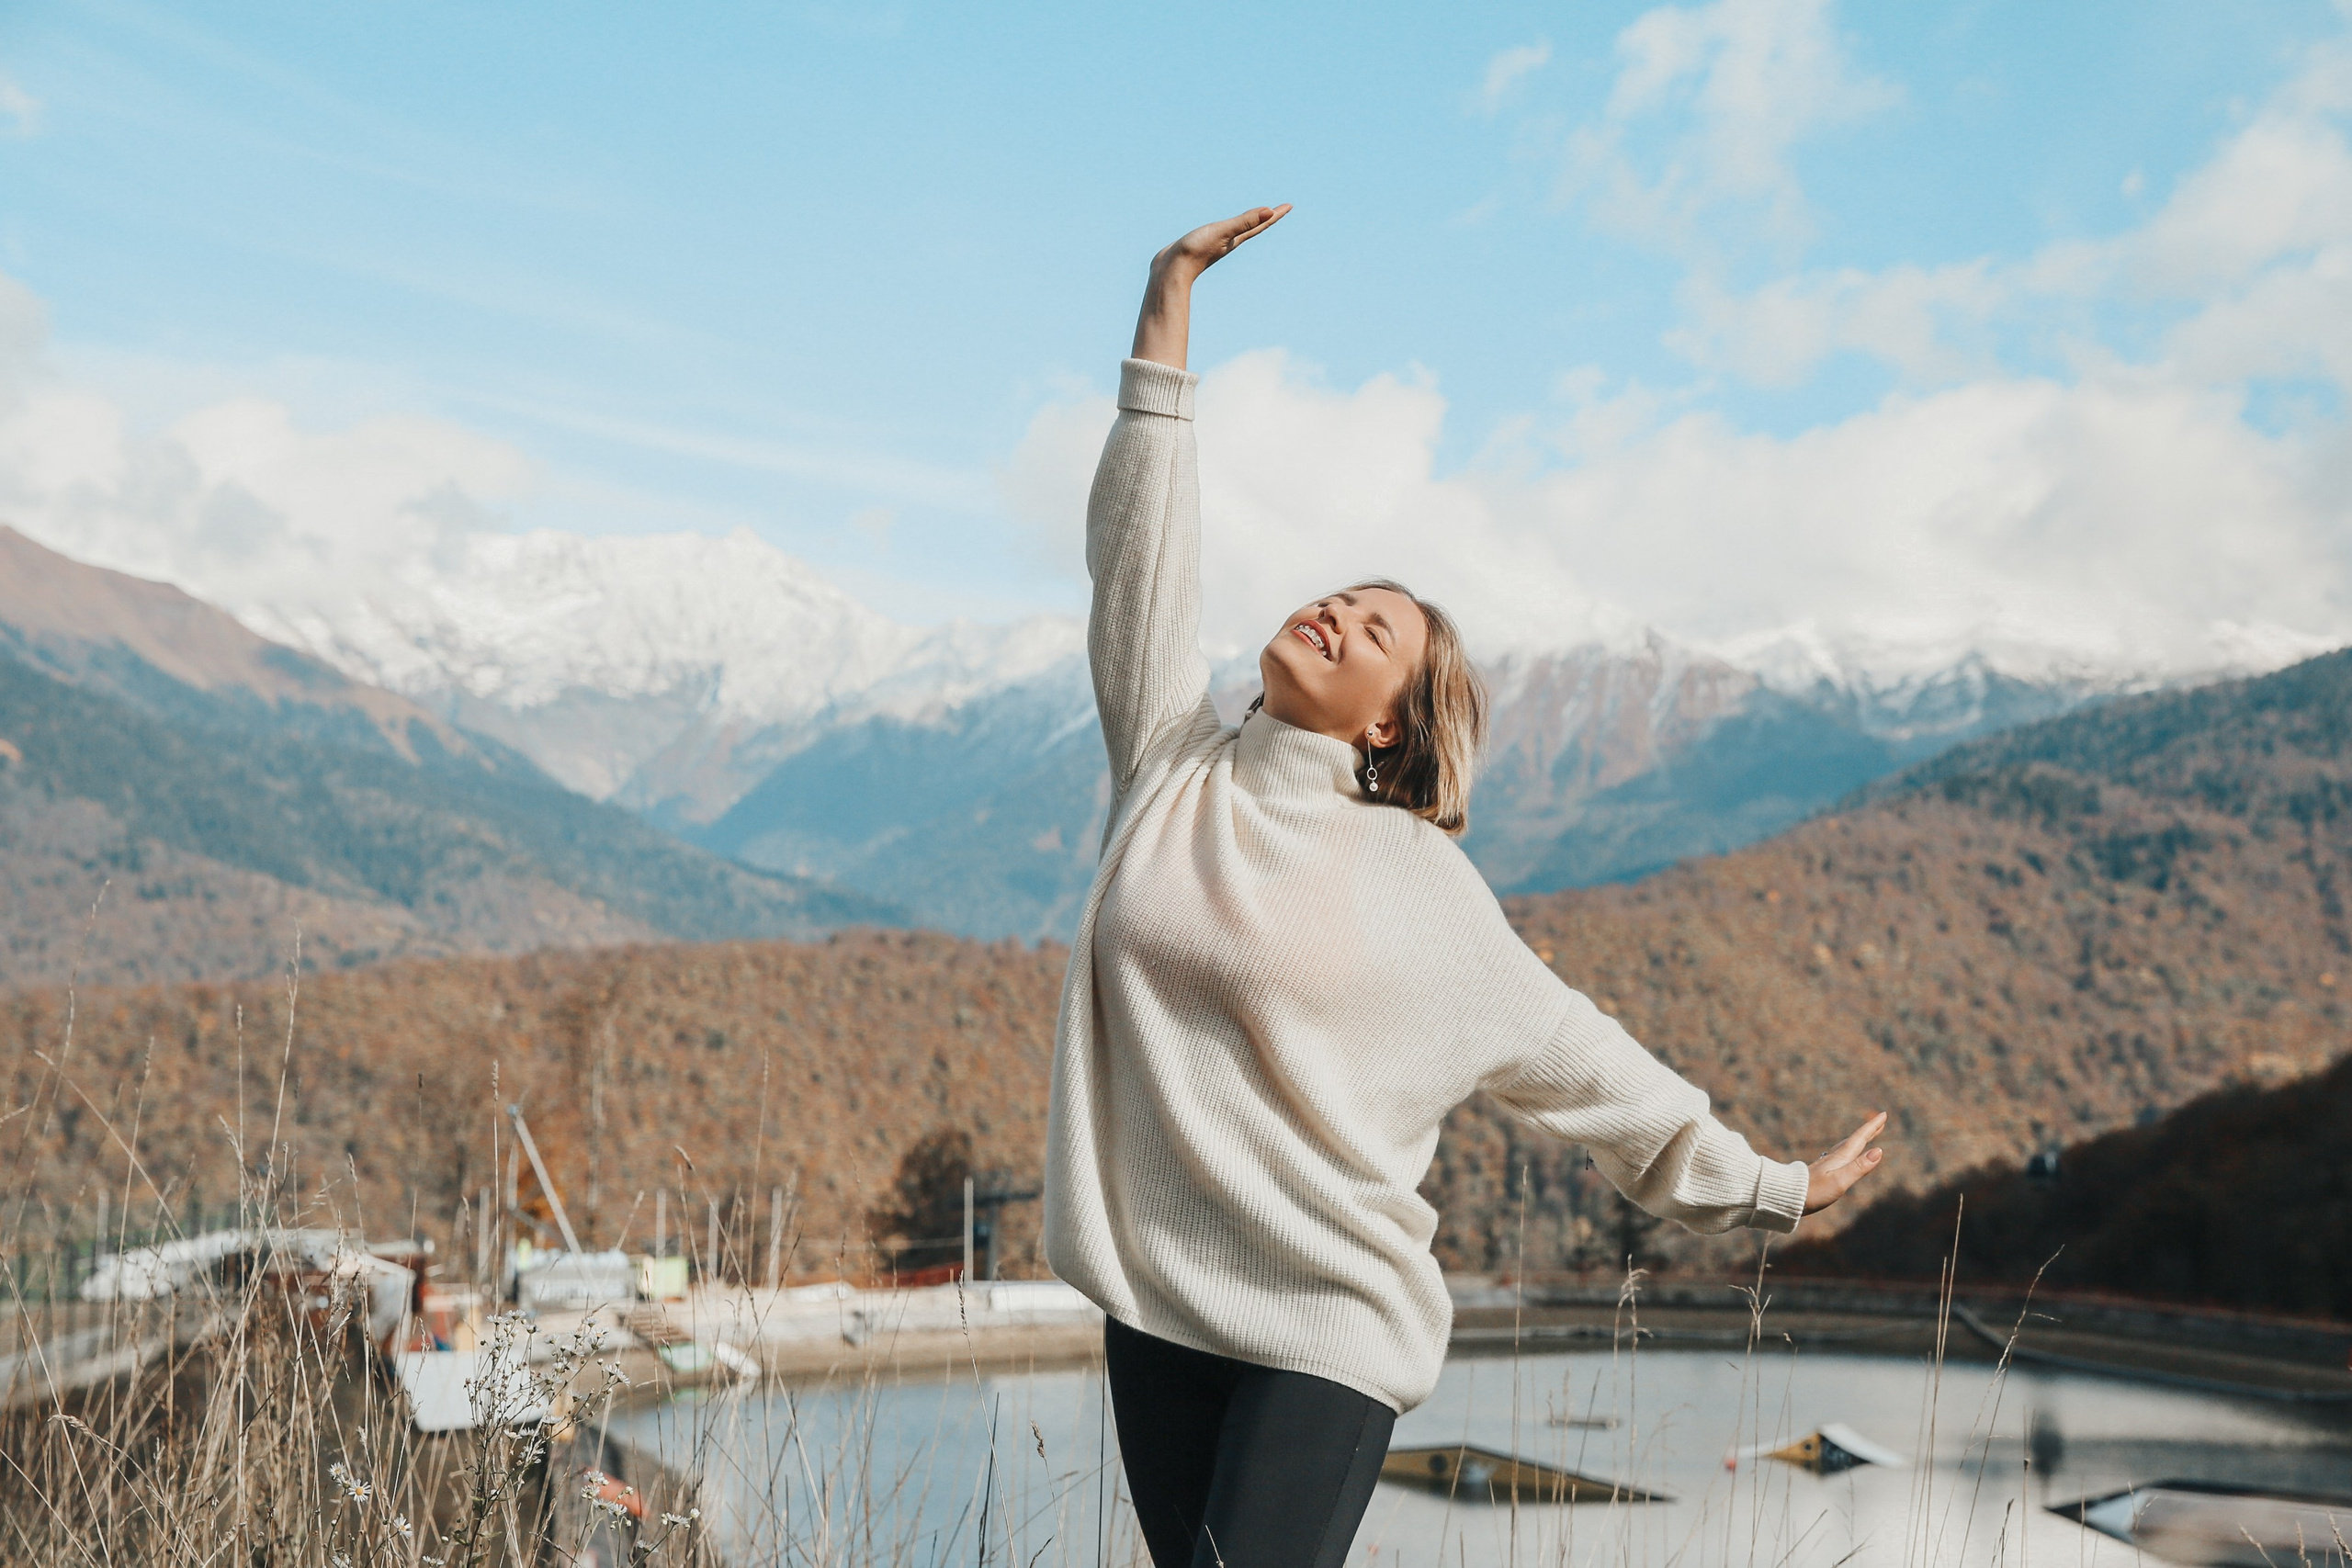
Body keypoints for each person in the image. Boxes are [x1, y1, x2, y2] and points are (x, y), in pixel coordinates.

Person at [1041, 205, 1888, 1568]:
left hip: (1328, 1326)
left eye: (1372, 628)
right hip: (1159, 1309)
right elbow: (1138, 554)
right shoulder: (1171, 768)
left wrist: (1775, 1189)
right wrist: (1167, 309)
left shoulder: (1425, 893)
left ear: (1389, 719)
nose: (1332, 613)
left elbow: (1595, 1071)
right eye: (1335, 598)